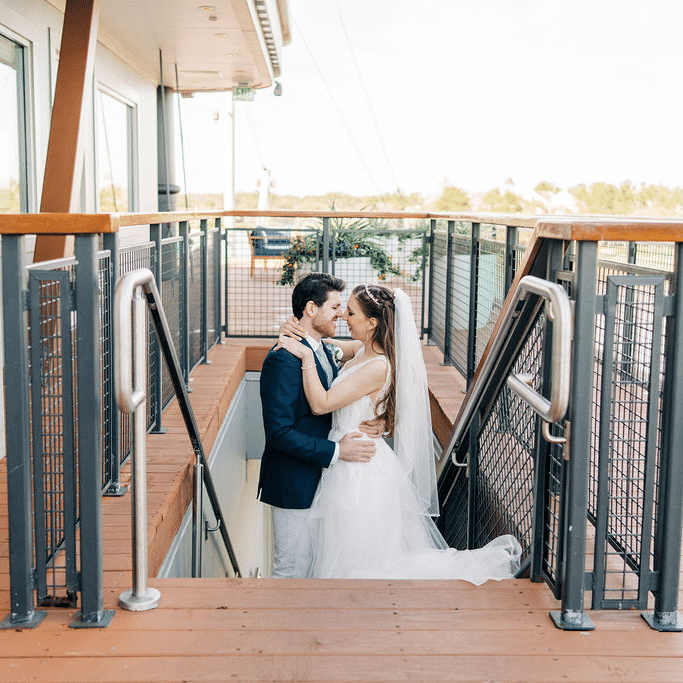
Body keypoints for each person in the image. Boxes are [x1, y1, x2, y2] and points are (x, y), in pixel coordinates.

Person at [277, 282, 522, 582]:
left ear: (371, 323)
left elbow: (320, 403)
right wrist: (293, 327)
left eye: (350, 313)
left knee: (356, 556)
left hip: (359, 471)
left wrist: (303, 359)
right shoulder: (363, 350)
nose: (343, 317)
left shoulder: (377, 366)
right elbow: (327, 345)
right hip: (348, 459)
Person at [258, 272, 385, 578]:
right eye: (335, 307)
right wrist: (337, 450)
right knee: (290, 568)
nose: (341, 315)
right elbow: (278, 433)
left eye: (346, 309)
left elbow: (371, 362)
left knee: (318, 566)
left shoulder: (323, 349)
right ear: (311, 310)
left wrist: (383, 417)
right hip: (294, 483)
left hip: (326, 480)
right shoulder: (282, 359)